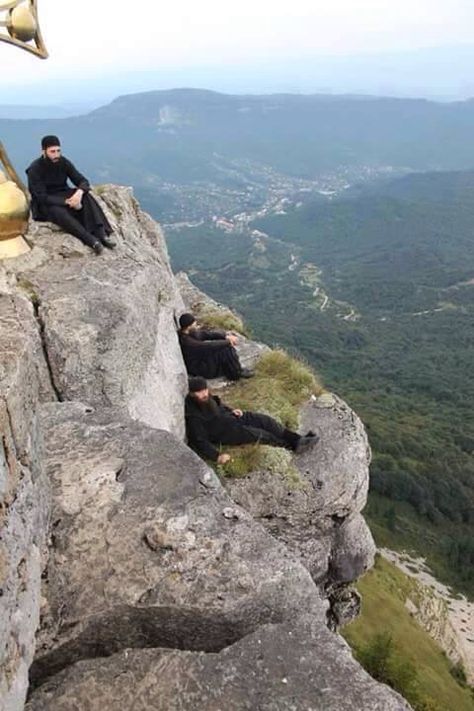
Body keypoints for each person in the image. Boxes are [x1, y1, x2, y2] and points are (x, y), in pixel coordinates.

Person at [185, 376, 319, 464]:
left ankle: (297, 439)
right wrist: (217, 456)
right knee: (261, 435)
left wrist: (231, 410)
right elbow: (200, 440)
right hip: (227, 433)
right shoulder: (193, 416)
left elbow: (218, 404)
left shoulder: (207, 398)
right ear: (191, 393)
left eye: (204, 390)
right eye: (199, 392)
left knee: (266, 421)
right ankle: (292, 446)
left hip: (232, 418)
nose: (204, 394)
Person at [26, 135, 116, 254]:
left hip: (63, 193)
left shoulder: (63, 162)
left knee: (86, 197)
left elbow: (82, 181)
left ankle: (101, 234)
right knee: (59, 212)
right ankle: (92, 241)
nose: (56, 154)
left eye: (58, 151)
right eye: (52, 151)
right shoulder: (34, 169)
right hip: (46, 203)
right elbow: (40, 197)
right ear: (44, 152)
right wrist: (67, 202)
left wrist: (79, 193)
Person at [178, 312, 253, 381]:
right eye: (194, 325)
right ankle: (236, 373)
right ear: (188, 327)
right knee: (226, 349)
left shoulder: (189, 333)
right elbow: (207, 346)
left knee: (224, 348)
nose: (196, 326)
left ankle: (236, 369)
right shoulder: (187, 342)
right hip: (200, 368)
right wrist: (228, 342)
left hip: (201, 360)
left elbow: (205, 334)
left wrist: (225, 336)